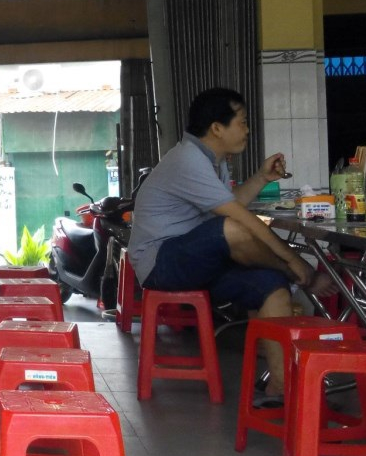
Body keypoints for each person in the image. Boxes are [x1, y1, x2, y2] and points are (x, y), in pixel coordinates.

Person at [127, 87, 331, 402]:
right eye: (242, 122)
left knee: (270, 284)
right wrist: (294, 260)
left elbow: (228, 203)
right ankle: (298, 274)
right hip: (161, 262)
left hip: (200, 260)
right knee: (233, 229)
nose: (247, 130)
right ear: (217, 128)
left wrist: (261, 178)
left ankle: (280, 388)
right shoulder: (188, 160)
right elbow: (238, 218)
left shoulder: (214, 161)